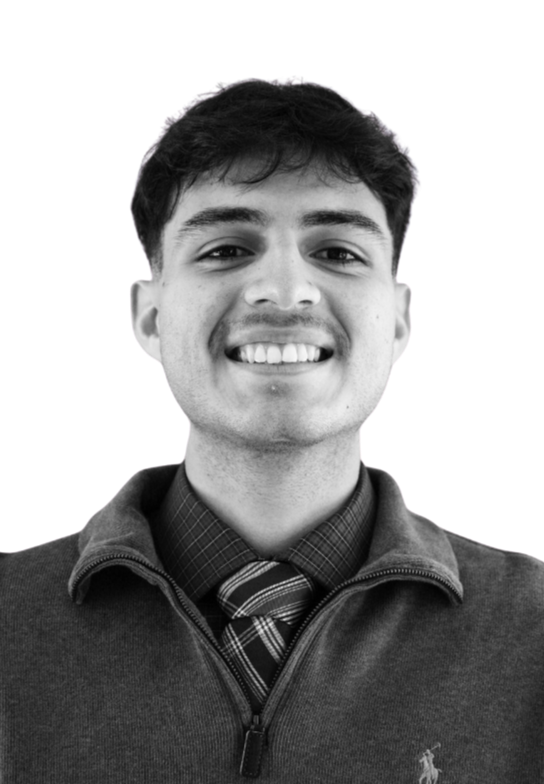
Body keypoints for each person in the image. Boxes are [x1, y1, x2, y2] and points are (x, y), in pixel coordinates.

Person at [1, 79, 542, 783]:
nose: (284, 291)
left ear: (402, 323)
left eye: (339, 252)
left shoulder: (533, 638)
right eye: (226, 248)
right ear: (149, 316)